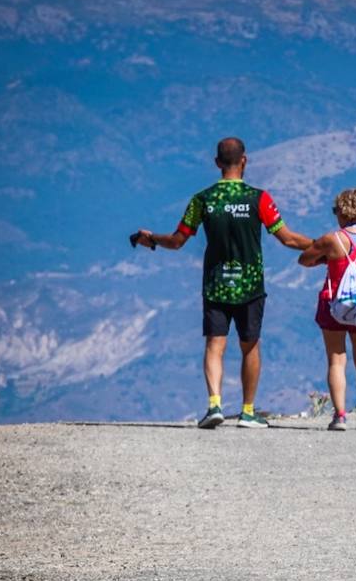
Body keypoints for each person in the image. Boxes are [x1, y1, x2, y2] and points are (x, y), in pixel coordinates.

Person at [130, 137, 314, 429]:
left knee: (215, 345)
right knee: (250, 346)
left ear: (217, 163)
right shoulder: (259, 198)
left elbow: (177, 241)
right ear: (245, 161)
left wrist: (151, 238)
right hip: (250, 285)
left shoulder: (201, 199)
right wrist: (322, 245)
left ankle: (214, 405)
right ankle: (248, 412)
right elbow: (288, 238)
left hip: (216, 284)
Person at [297, 188, 356, 431]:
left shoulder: (330, 240)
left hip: (332, 302)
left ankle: (340, 415)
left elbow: (304, 259)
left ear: (342, 212)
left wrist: (327, 259)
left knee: (336, 360)